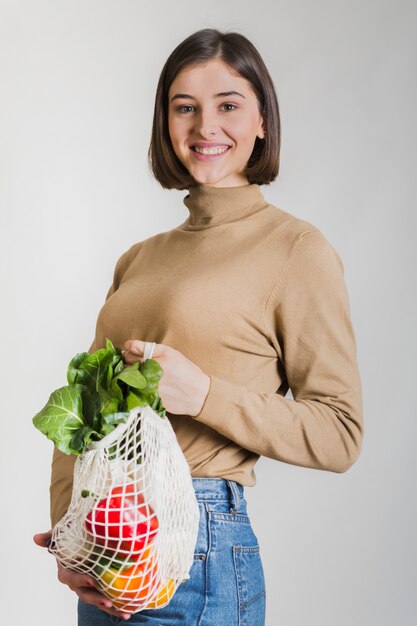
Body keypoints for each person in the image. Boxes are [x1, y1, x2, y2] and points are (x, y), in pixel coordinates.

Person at [34, 27, 363, 625]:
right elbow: (82, 409)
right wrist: (69, 533)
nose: (205, 127)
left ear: (262, 119)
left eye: (228, 105)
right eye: (185, 107)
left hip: (197, 547)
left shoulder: (297, 250)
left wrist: (206, 395)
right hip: (107, 540)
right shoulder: (140, 257)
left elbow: (340, 433)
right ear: (166, 123)